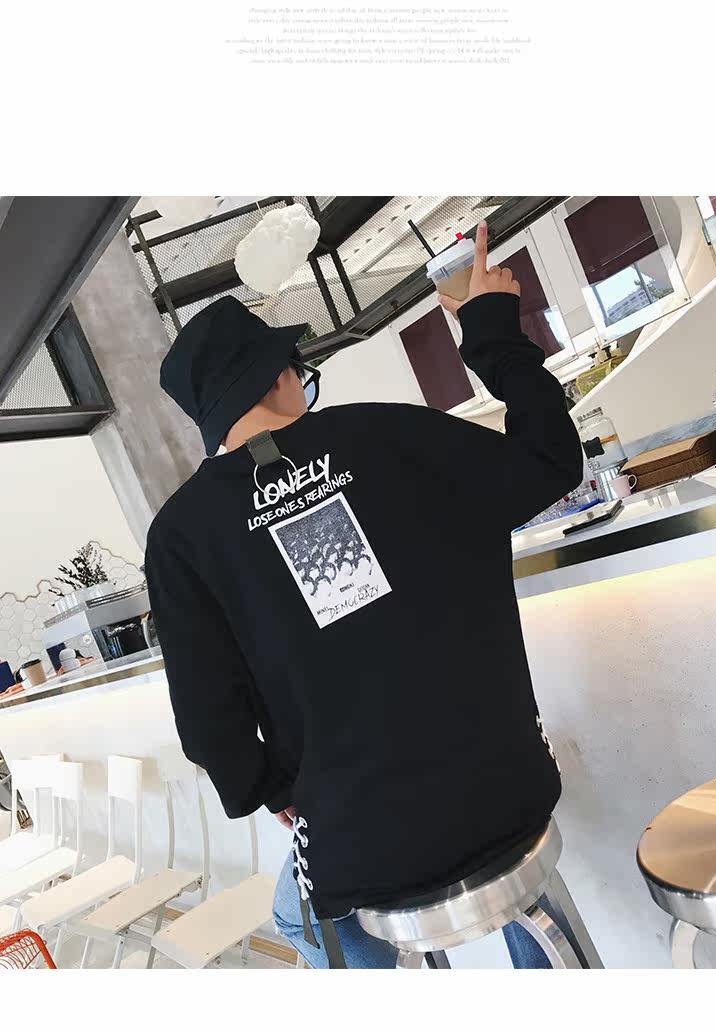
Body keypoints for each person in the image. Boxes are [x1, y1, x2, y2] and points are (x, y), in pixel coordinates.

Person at [145, 221, 583, 968]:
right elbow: (550, 460)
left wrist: (269, 788)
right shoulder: (390, 435)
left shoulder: (181, 537)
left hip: (366, 840)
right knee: (510, 877)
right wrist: (490, 332)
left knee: (301, 911)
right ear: (281, 377)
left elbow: (211, 726)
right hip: (510, 786)